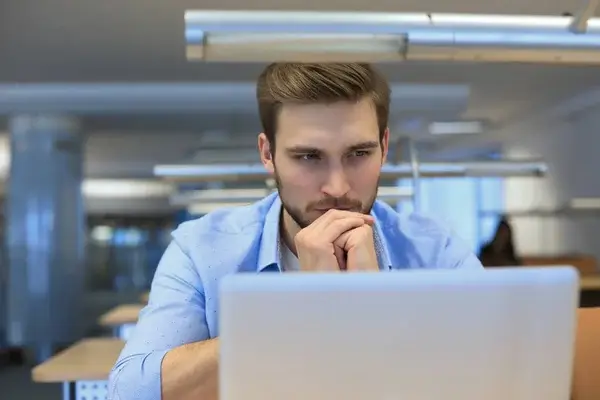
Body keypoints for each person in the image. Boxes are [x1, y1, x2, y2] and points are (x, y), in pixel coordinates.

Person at [108, 63, 483, 400]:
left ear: (384, 148)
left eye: (359, 154)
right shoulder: (201, 248)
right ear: (267, 153)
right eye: (308, 157)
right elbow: (129, 393)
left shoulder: (436, 250)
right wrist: (300, 311)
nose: (337, 187)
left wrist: (375, 306)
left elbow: (506, 375)